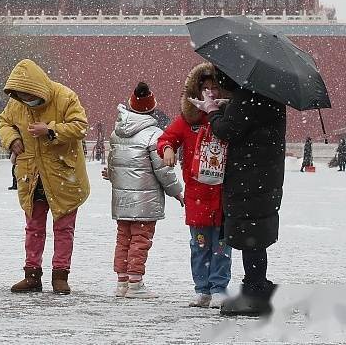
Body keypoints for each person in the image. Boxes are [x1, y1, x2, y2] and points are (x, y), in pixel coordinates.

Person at [189, 67, 285, 317]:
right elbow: (247, 122)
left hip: (247, 179)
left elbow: (228, 130)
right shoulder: (269, 95)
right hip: (267, 176)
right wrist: (228, 106)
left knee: (249, 235)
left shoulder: (248, 96)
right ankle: (260, 285)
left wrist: (213, 111)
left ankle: (253, 293)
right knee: (258, 233)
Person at [0, 59, 90, 295]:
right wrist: (12, 140)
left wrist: (50, 130)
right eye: (21, 96)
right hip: (32, 175)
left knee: (64, 228)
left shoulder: (65, 97)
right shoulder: (16, 104)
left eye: (28, 95)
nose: (26, 100)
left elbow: (80, 126)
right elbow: (3, 122)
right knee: (33, 227)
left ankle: (60, 275)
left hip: (63, 175)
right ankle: (32, 275)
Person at [158, 63, 232, 309]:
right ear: (197, 90)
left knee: (222, 247)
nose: (210, 93)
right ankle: (202, 289)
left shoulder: (227, 119)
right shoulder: (188, 120)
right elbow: (167, 138)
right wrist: (167, 149)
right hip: (197, 195)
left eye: (215, 88)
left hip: (223, 195)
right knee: (200, 246)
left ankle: (219, 287)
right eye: (205, 88)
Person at [104, 83, 183, 299]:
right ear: (152, 109)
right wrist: (177, 191)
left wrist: (111, 176)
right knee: (140, 241)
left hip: (122, 200)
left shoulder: (116, 132)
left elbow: (113, 165)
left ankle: (122, 283)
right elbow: (163, 171)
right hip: (145, 202)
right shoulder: (154, 135)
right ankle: (136, 284)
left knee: (123, 239)